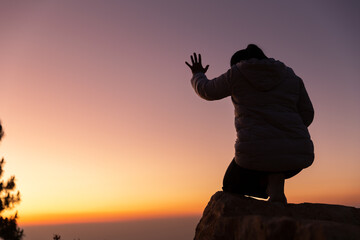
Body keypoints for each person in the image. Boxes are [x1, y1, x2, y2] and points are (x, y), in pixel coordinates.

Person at [185, 44, 314, 204]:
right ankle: (274, 183)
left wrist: (198, 73)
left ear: (239, 63)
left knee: (231, 185)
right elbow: (308, 114)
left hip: (255, 152)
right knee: (274, 159)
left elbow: (207, 90)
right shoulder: (291, 77)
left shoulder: (237, 73)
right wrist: (289, 132)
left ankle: (267, 184)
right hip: (297, 152)